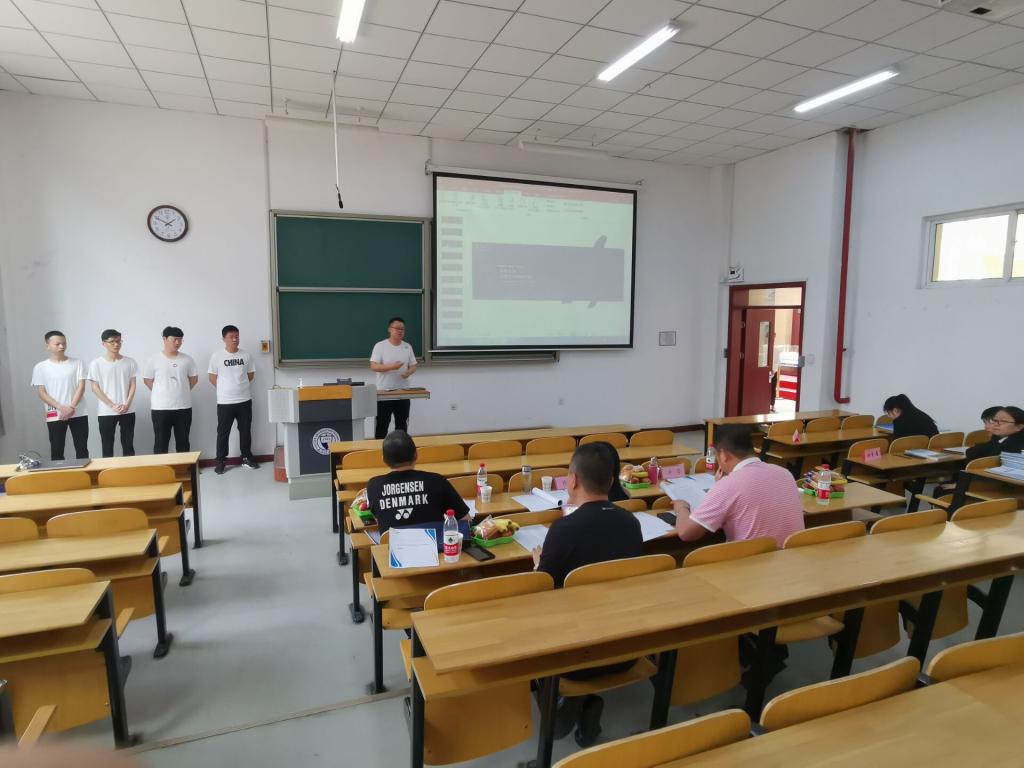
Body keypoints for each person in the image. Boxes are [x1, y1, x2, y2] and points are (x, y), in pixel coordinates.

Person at [532, 442, 643, 747]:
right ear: (612, 481)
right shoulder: (631, 523)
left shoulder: (563, 529)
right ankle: (586, 704)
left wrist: (539, 565)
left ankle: (565, 707)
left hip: (576, 658)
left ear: (572, 480)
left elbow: (541, 588)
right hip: (625, 650)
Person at [674, 424, 803, 547]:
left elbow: (686, 533)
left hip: (753, 560)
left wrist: (682, 508)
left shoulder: (727, 486)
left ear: (723, 455)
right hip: (791, 557)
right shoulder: (785, 474)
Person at [365, 431, 468, 534]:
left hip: (391, 544)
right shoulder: (437, 481)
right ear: (416, 455)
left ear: (384, 460)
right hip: (434, 544)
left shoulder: (373, 486)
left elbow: (379, 519)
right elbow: (465, 520)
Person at [31, 330, 88, 460]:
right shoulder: (40, 367)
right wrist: (61, 408)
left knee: (82, 449)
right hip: (54, 414)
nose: (62, 346)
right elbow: (41, 393)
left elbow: (81, 387)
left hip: (78, 412)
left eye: (64, 343)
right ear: (48, 346)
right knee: (57, 451)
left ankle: (85, 472)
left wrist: (71, 407)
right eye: (57, 344)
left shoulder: (78, 363)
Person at [208, 324, 258, 474]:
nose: (235, 339)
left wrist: (239, 387)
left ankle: (246, 458)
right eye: (231, 337)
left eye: (237, 336)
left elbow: (250, 375)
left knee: (245, 430)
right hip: (225, 402)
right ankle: (221, 461)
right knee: (223, 432)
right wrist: (226, 389)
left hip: (244, 400)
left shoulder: (246, 355)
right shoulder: (217, 356)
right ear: (224, 339)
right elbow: (212, 377)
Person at [143, 326, 198, 454]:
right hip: (160, 408)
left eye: (180, 340)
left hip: (183, 407)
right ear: (165, 339)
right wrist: (161, 391)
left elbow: (194, 379)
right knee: (161, 442)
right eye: (174, 339)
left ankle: (184, 465)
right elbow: (147, 380)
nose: (178, 342)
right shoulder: (153, 359)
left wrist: (181, 390)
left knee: (183, 442)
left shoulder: (187, 359)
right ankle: (161, 466)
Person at [87, 329, 137, 457]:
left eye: (119, 341)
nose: (116, 344)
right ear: (104, 343)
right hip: (106, 411)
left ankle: (130, 468)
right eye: (112, 342)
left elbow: (133, 384)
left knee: (128, 445)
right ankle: (108, 469)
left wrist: (127, 404)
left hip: (128, 410)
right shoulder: (96, 364)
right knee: (107, 445)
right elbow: (95, 388)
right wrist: (112, 405)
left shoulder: (130, 362)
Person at [369, 316, 417, 439]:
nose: (400, 331)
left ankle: (400, 448)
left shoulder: (407, 347)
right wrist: (392, 367)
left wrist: (408, 372)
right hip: (384, 393)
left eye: (402, 329)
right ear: (390, 329)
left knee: (402, 425)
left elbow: (413, 366)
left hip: (403, 393)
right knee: (382, 425)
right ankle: (379, 448)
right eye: (397, 328)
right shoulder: (380, 346)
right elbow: (373, 366)